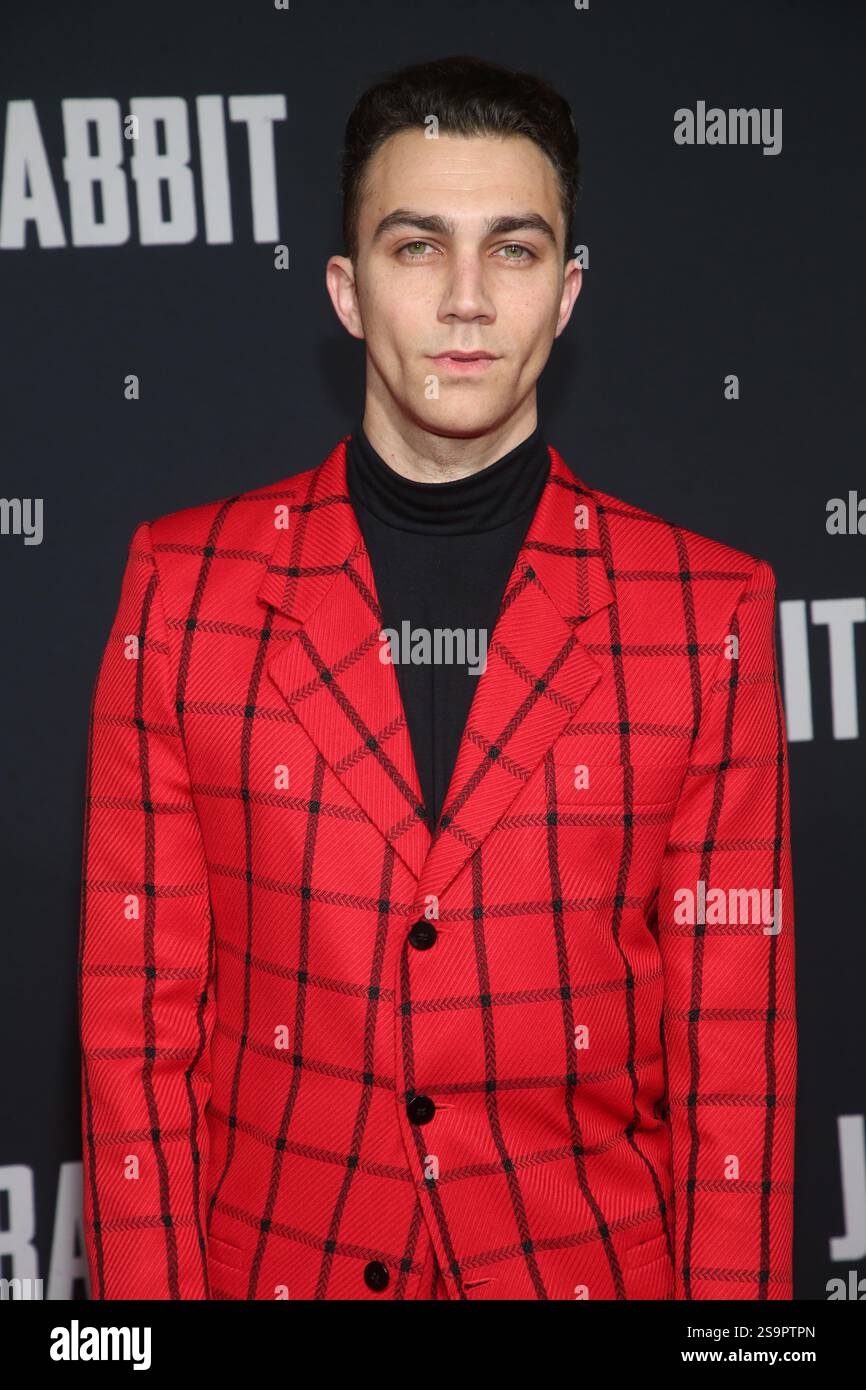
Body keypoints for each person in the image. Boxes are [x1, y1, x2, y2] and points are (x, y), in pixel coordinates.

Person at [78, 53, 796, 1301]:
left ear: (565, 294)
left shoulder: (704, 609)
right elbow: (135, 1021)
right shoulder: (183, 587)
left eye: (511, 251)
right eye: (419, 247)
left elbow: (733, 1051)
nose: (466, 300)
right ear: (348, 293)